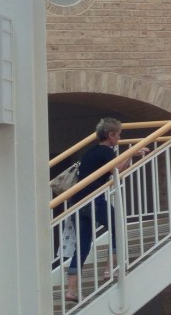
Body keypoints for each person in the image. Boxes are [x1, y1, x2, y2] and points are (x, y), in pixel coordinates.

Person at [64, 117, 143, 303]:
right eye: (119, 135)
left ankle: (71, 290)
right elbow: (117, 170)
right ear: (111, 135)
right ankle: (109, 270)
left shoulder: (90, 152)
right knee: (118, 225)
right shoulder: (106, 151)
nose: (119, 138)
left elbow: (112, 170)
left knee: (83, 245)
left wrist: (129, 155)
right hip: (93, 200)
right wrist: (132, 153)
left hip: (78, 203)